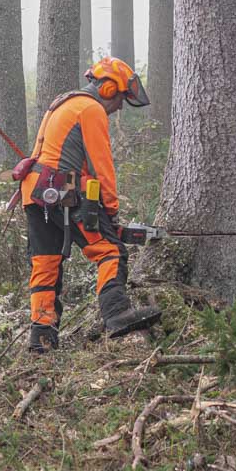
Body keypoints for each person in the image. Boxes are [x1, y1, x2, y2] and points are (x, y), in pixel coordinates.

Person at [21, 57, 161, 352]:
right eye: (120, 98)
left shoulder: (63, 103)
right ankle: (117, 313)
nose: (120, 107)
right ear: (109, 88)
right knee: (110, 250)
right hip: (64, 189)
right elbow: (102, 166)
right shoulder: (91, 108)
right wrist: (111, 211)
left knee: (45, 264)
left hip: (35, 192)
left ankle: (42, 341)